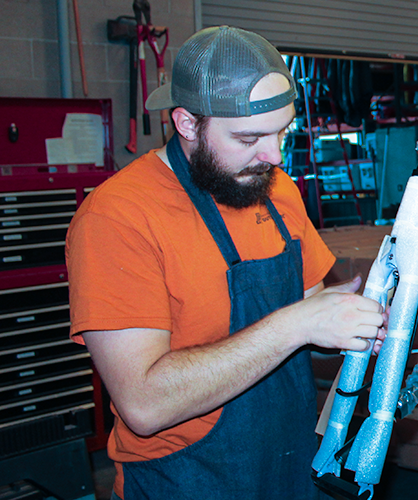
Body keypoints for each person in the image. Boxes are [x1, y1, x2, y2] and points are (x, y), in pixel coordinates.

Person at [66, 26, 387, 499]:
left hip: (289, 464)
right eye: (249, 137)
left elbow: (311, 312)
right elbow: (144, 403)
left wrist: (355, 318)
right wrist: (295, 325)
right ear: (187, 124)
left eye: (282, 132)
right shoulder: (118, 217)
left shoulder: (275, 191)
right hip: (185, 479)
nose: (273, 155)